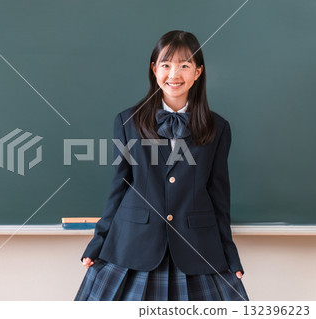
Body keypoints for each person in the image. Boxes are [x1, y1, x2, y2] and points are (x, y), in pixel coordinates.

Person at [74, 30, 249, 301]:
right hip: (133, 246)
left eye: (184, 65)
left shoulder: (218, 128)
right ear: (154, 69)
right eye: (166, 65)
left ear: (198, 72)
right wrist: (98, 242)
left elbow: (219, 196)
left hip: (197, 250)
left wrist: (230, 254)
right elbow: (120, 186)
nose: (174, 74)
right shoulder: (127, 122)